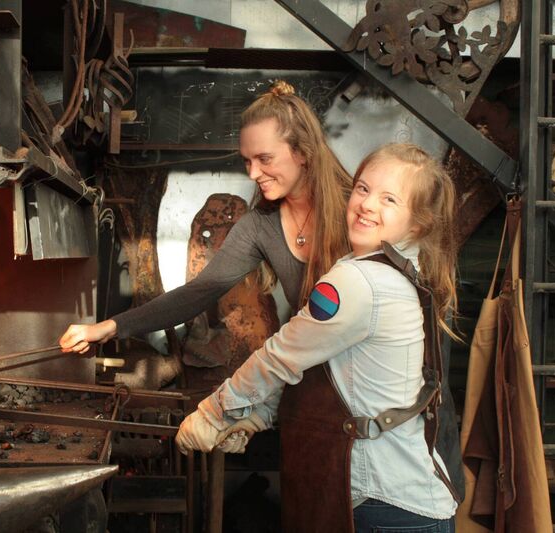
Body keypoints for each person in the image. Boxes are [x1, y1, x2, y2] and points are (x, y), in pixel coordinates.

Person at [175, 143, 461, 532]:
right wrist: (258, 415)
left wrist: (215, 413)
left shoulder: (359, 281)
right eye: (362, 189)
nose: (367, 204)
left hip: (382, 505)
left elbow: (280, 356)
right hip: (403, 505)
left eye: (389, 199)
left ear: (418, 223)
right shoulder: (395, 272)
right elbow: (328, 369)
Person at [59, 79, 351, 358]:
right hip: (316, 367)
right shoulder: (260, 225)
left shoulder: (358, 209)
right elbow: (200, 292)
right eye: (247, 161)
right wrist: (110, 327)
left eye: (265, 159)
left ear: (301, 152)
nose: (252, 173)